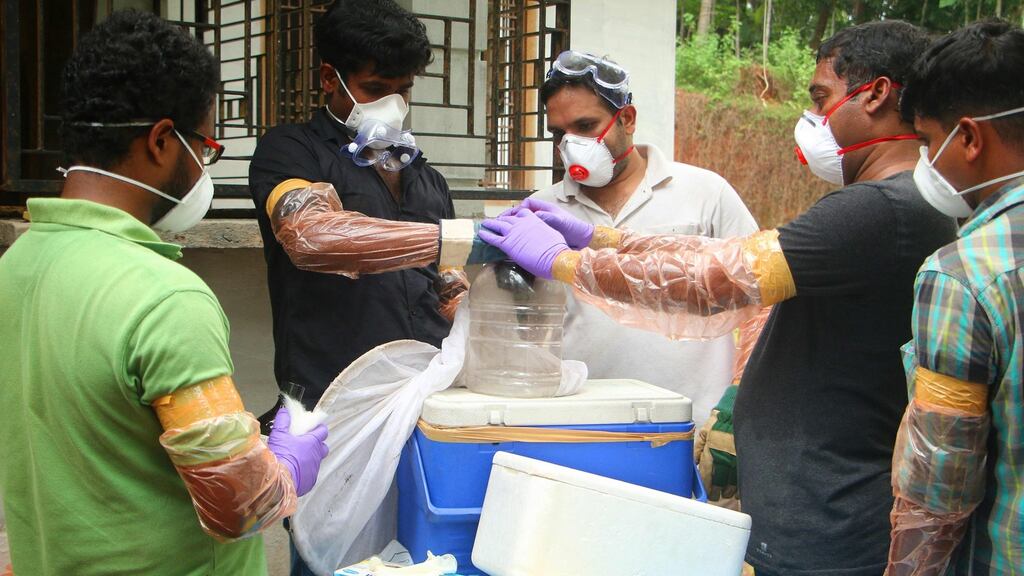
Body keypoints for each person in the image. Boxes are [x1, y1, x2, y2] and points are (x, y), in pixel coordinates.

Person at [481, 21, 958, 576]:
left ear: (875, 94)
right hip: (811, 501)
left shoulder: (878, 209)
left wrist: (566, 261)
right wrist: (604, 237)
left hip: (828, 514)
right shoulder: (893, 205)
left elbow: (717, 276)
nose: (811, 120)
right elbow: (725, 256)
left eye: (821, 99)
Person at [0, 11, 328, 576]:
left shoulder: (16, 265)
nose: (204, 164)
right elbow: (239, 506)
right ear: (160, 141)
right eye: (204, 146)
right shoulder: (162, 297)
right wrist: (288, 461)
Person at [248, 0, 499, 416]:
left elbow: (444, 276)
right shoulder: (292, 152)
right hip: (331, 401)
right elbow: (312, 235)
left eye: (403, 90)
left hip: (424, 397)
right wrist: (459, 237)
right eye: (376, 89)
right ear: (329, 78)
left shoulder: (425, 176)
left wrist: (489, 313)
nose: (393, 104)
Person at [526, 51, 758, 426]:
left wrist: (737, 403)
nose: (572, 145)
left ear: (627, 119)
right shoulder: (542, 209)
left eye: (586, 126)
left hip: (692, 424)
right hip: (581, 423)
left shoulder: (705, 192)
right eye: (560, 133)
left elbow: (761, 299)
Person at [885, 20, 1024, 575]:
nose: (924, 162)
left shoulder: (963, 275)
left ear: (968, 138)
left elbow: (938, 488)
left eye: (925, 141)